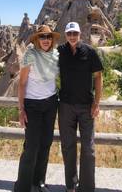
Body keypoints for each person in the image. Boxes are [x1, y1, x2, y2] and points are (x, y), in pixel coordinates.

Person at [58, 22, 103, 192]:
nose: (72, 36)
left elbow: (98, 77)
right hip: (65, 106)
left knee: (88, 149)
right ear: (65, 35)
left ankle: (87, 188)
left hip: (86, 107)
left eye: (74, 33)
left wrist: (97, 103)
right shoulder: (60, 51)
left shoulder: (90, 52)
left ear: (80, 34)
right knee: (68, 147)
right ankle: (71, 185)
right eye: (69, 33)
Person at [14, 25, 60, 192]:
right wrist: (21, 109)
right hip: (32, 105)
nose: (46, 40)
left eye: (48, 37)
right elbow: (22, 83)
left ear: (52, 39)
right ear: (37, 39)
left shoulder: (55, 55)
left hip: (51, 103)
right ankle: (23, 186)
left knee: (46, 143)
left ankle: (39, 181)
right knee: (31, 146)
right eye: (42, 37)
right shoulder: (30, 55)